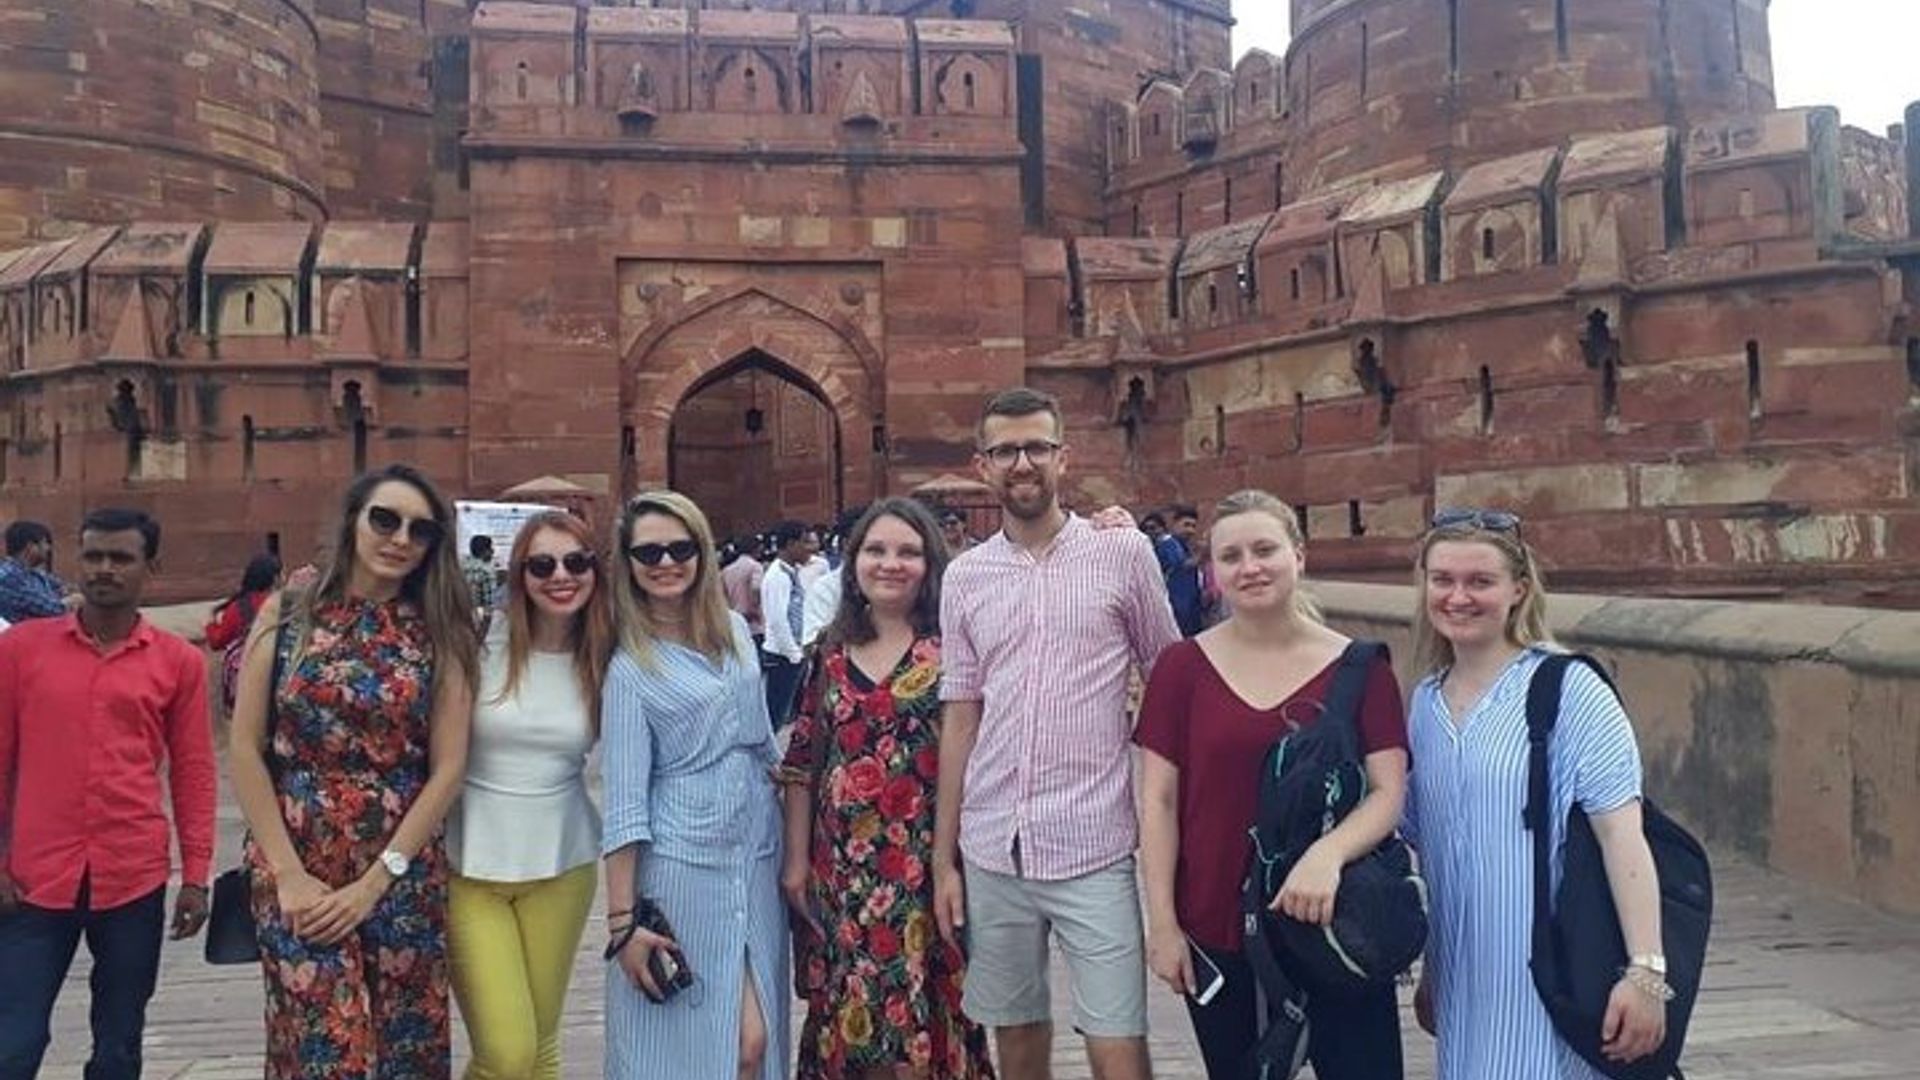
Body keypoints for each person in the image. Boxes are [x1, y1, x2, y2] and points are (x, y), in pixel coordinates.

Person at [933, 387, 1181, 1080]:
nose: (1023, 463)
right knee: (1017, 1039)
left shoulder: (1121, 553)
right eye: (1006, 450)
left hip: (1093, 841)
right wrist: (944, 859)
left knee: (1117, 1047)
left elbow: (1168, 675)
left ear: (1063, 457)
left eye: (1037, 447)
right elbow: (962, 714)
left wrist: (1169, 818)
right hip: (993, 842)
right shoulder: (965, 577)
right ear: (983, 465)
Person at [1135, 490, 1409, 1080]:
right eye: (1231, 556)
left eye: (1265, 550)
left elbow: (1389, 791)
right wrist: (1162, 923)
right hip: (1218, 921)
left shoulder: (1361, 669)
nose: (1250, 567)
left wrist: (1327, 856)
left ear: (1298, 556)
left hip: (1337, 917)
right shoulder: (1181, 669)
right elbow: (1158, 800)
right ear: (1213, 571)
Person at [227, 464, 481, 1078]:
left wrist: (376, 882)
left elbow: (448, 768)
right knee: (324, 1052)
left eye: (420, 530)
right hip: (298, 860)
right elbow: (246, 749)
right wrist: (288, 875)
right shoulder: (289, 613)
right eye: (385, 520)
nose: (400, 539)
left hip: (400, 868)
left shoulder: (440, 630)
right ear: (353, 520)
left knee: (405, 1050)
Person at [1405, 508, 1668, 1080]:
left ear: (1519, 590)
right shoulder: (1425, 703)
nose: (1458, 597)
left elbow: (1622, 836)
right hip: (1466, 983)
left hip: (1551, 973)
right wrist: (1432, 971)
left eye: (1480, 581)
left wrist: (1646, 972)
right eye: (1443, 579)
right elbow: (1436, 852)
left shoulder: (1568, 688)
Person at [778, 498, 995, 1080]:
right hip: (843, 875)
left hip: (925, 868)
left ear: (930, 564)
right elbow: (801, 764)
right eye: (876, 550)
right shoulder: (829, 653)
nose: (890, 563)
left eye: (908, 552)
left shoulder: (953, 651)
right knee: (856, 1034)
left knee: (918, 1031)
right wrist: (796, 864)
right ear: (853, 563)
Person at [0, 507, 216, 1079]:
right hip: (34, 878)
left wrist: (196, 876)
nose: (104, 569)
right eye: (93, 555)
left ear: (151, 568)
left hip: (131, 874)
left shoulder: (178, 662)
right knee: (13, 1043)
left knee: (118, 1046)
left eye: (121, 558)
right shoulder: (21, 650)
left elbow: (194, 771)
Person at [601, 491, 788, 1080]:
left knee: (758, 1039)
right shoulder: (630, 666)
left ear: (702, 552)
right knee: (714, 1047)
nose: (665, 562)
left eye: (680, 548)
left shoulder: (731, 629)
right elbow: (624, 802)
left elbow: (764, 740)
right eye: (648, 552)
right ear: (628, 563)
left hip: (755, 853)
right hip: (683, 866)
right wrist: (623, 923)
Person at [448, 511, 611, 1079]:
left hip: (563, 864)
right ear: (518, 574)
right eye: (541, 565)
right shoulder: (476, 640)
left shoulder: (606, 656)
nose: (560, 575)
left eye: (576, 562)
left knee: (541, 1049)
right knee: (506, 1053)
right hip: (469, 867)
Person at [206, 553, 283, 714]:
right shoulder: (283, 604)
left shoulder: (238, 607)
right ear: (275, 579)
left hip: (247, 676)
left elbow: (217, 642)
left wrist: (210, 625)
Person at [760, 520, 816, 729]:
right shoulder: (778, 577)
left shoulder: (790, 573)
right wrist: (794, 654)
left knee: (788, 711)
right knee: (775, 714)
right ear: (791, 544)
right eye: (805, 542)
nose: (809, 548)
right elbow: (777, 620)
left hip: (791, 653)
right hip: (782, 656)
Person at [0, 520, 74, 624]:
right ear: (31, 547)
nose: (48, 548)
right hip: (22, 633)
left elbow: (65, 589)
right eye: (45, 543)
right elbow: (55, 610)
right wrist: (76, 600)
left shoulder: (33, 573)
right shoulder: (8, 577)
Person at [720, 537, 766, 645]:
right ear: (756, 549)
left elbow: (723, 596)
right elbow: (756, 588)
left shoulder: (726, 571)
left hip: (735, 623)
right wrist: (754, 610)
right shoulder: (755, 566)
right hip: (754, 623)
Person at [464, 535, 501, 636]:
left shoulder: (460, 564)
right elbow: (489, 607)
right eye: (490, 548)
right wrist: (481, 637)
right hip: (475, 617)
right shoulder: (486, 571)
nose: (493, 551)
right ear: (484, 551)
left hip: (455, 616)